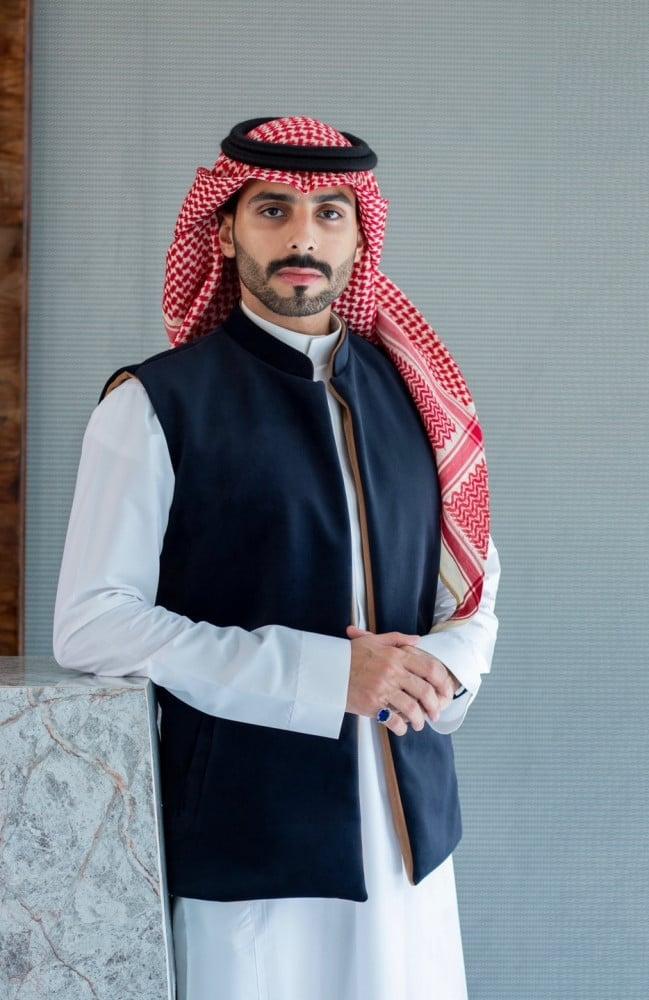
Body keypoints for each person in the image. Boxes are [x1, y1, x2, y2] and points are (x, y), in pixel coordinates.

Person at [53, 115, 501, 1000]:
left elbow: (472, 582)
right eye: (273, 210)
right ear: (225, 231)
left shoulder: (419, 396)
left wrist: (442, 670)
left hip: (410, 837)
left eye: (330, 213)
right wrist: (323, 675)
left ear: (359, 237)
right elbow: (92, 623)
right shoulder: (155, 404)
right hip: (250, 839)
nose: (303, 236)